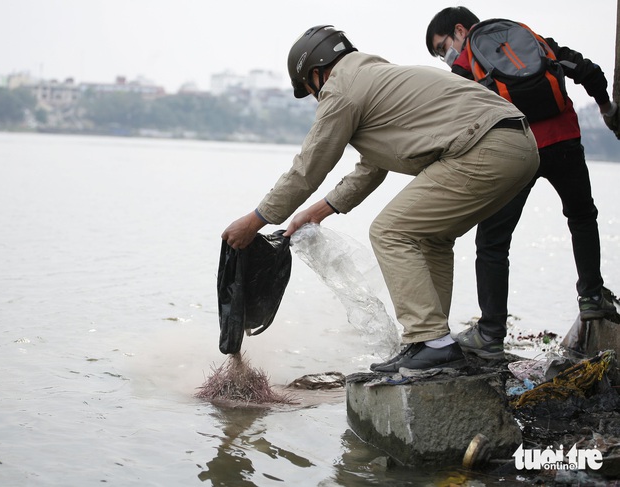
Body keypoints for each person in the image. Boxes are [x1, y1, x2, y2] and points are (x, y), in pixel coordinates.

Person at [222, 25, 540, 372]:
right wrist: (316, 213)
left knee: (390, 231)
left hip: (486, 147)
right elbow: (371, 168)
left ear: (316, 73)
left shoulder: (341, 89)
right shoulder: (374, 78)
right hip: (518, 145)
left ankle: (431, 341)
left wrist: (255, 221)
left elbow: (308, 168)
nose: (316, 98)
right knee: (430, 237)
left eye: (310, 90)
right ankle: (429, 341)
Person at [425, 7, 618, 360]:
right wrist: (607, 110)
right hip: (565, 141)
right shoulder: (531, 41)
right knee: (581, 216)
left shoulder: (465, 64)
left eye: (442, 47)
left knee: (493, 242)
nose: (445, 57)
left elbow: (448, 120)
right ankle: (592, 297)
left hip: (515, 154)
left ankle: (491, 333)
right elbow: (587, 70)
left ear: (459, 29)